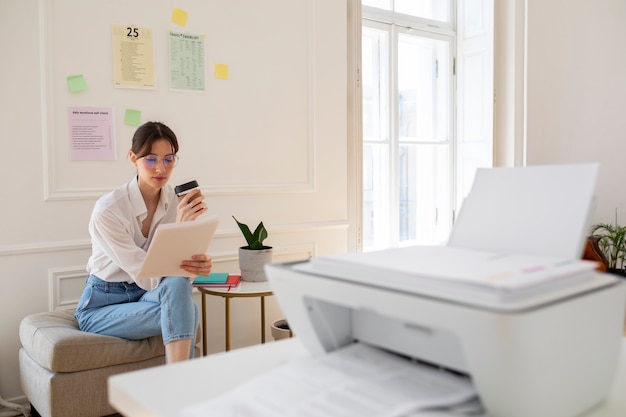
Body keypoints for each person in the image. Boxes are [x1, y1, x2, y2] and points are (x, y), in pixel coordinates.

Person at [74, 121, 212, 363]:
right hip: (102, 306)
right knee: (188, 310)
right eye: (151, 159)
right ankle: (184, 386)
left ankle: (180, 385)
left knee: (181, 290)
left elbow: (174, 278)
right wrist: (180, 230)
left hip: (146, 296)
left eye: (169, 159)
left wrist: (196, 266)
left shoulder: (173, 202)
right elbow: (146, 273)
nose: (161, 168)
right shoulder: (109, 210)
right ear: (133, 158)